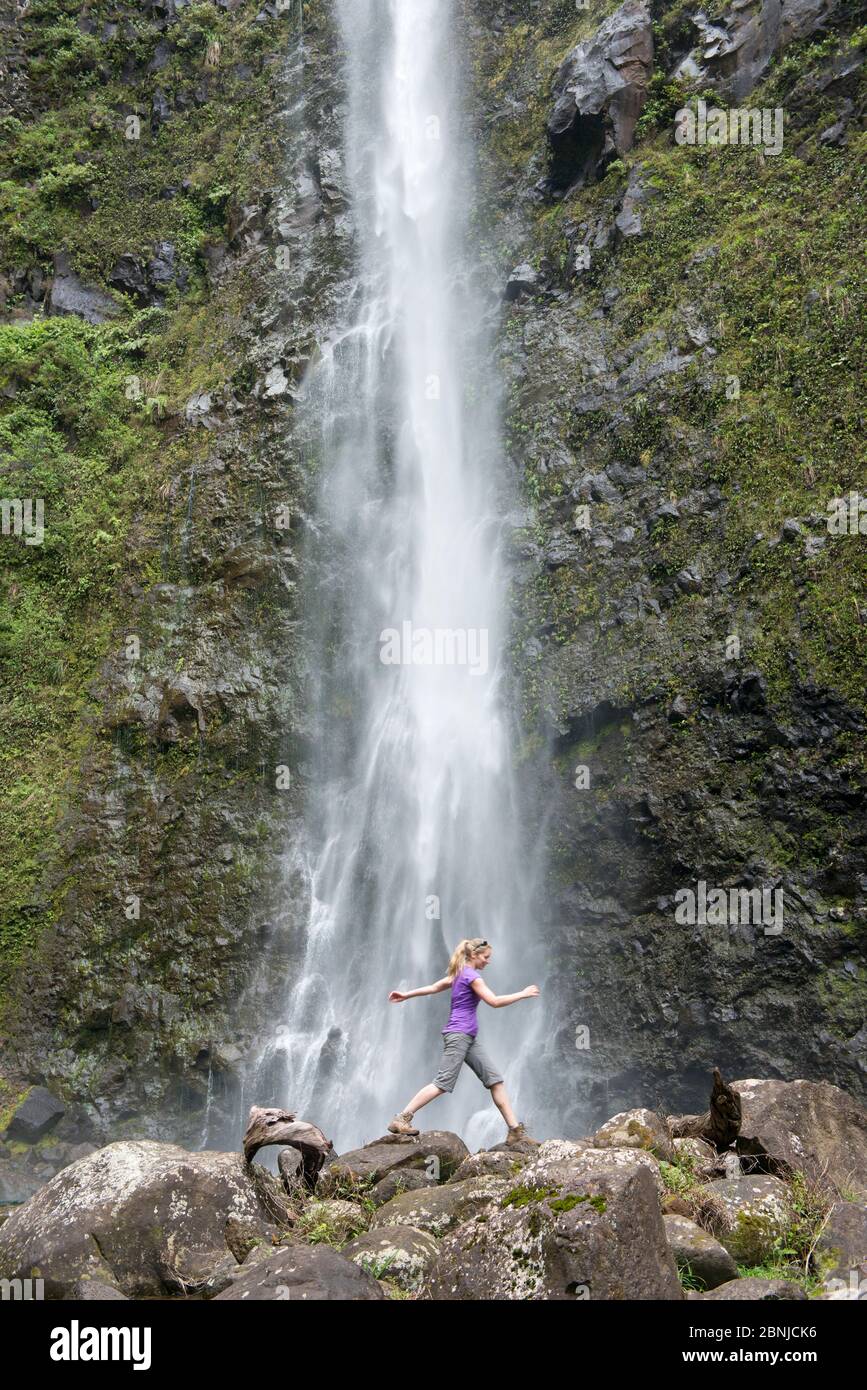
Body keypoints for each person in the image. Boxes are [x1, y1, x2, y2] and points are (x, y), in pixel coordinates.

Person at [386, 937, 540, 1146]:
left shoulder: (458, 974)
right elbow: (494, 1001)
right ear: (475, 955)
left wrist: (406, 994)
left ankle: (515, 1132)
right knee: (442, 1083)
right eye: (486, 957)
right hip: (458, 1035)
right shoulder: (472, 977)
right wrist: (522, 994)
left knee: (495, 1080)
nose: (488, 961)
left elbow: (432, 987)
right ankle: (402, 1118)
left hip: (468, 1038)